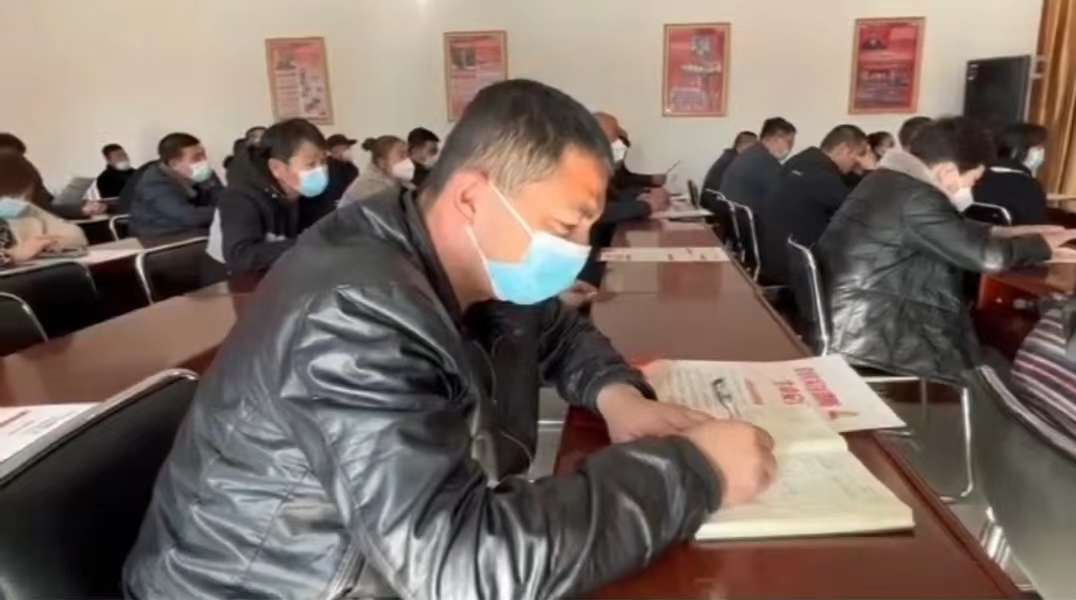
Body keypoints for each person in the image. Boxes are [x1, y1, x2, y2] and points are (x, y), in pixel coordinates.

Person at [124, 79, 776, 600]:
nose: (579, 252)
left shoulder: (444, 251)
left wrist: (616, 394)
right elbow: (455, 567)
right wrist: (694, 473)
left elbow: (552, 328)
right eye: (565, 227)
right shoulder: (353, 312)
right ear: (471, 198)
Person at [816, 117, 1076, 386]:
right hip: (879, 334)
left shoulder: (888, 181)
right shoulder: (916, 197)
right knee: (1003, 367)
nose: (971, 189)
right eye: (973, 180)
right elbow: (988, 258)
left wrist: (1007, 232)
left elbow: (948, 229)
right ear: (948, 172)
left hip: (859, 321)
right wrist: (1043, 247)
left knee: (990, 350)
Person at [207, 118, 328, 276]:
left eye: (324, 161)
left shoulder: (307, 189)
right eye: (311, 164)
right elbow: (241, 257)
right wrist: (307, 244)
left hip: (280, 271)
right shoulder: (240, 197)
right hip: (228, 279)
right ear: (277, 168)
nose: (321, 170)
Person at [759, 125, 871, 286]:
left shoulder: (801, 162)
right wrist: (872, 171)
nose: (858, 162)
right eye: (859, 154)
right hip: (798, 275)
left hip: (776, 261)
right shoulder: (823, 177)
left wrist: (858, 173)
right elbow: (864, 211)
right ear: (843, 149)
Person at [0, 154, 88, 268]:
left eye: (27, 196)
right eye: (12, 195)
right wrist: (14, 255)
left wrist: (48, 243)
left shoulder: (27, 210)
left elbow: (76, 235)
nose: (21, 201)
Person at [128, 132, 221, 237]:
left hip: (195, 230)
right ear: (174, 164)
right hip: (159, 238)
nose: (204, 161)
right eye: (196, 158)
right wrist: (229, 211)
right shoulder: (154, 183)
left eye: (204, 155)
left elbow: (224, 199)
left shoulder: (204, 174)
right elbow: (189, 216)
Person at [0, 132, 106, 220]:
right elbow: (41, 210)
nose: (20, 161)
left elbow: (49, 204)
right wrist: (78, 209)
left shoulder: (28, 176)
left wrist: (83, 205)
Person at [973, 122, 1049, 225]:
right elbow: (1035, 227)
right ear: (1021, 150)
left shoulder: (977, 176)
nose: (1042, 153)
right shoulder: (1028, 186)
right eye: (1038, 149)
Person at [720, 117, 797, 210]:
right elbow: (782, 195)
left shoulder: (750, 153)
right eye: (789, 142)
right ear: (775, 139)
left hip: (734, 213)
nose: (791, 147)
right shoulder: (766, 162)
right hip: (750, 216)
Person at [340, 135, 412, 205]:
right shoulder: (370, 189)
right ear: (382, 163)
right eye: (402, 155)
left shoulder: (398, 181)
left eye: (408, 155)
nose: (408, 160)